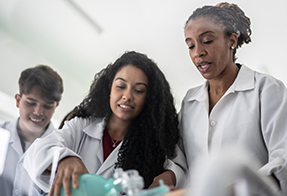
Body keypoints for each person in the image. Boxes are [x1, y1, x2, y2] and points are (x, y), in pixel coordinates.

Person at [175, 2, 287, 196]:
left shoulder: (266, 89)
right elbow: (178, 162)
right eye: (191, 45)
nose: (198, 53)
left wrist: (229, 191)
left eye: (207, 41)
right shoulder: (190, 103)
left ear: (232, 40)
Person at [23, 51, 186, 196]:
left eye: (138, 90)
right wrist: (64, 158)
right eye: (121, 86)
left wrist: (169, 176)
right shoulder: (81, 126)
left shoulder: (154, 145)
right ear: (109, 88)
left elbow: (179, 170)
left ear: (149, 98)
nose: (127, 96)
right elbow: (36, 153)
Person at [0, 65, 63, 195]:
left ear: (56, 106)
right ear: (18, 100)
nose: (38, 112)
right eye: (31, 102)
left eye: (47, 106)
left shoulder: (61, 151)